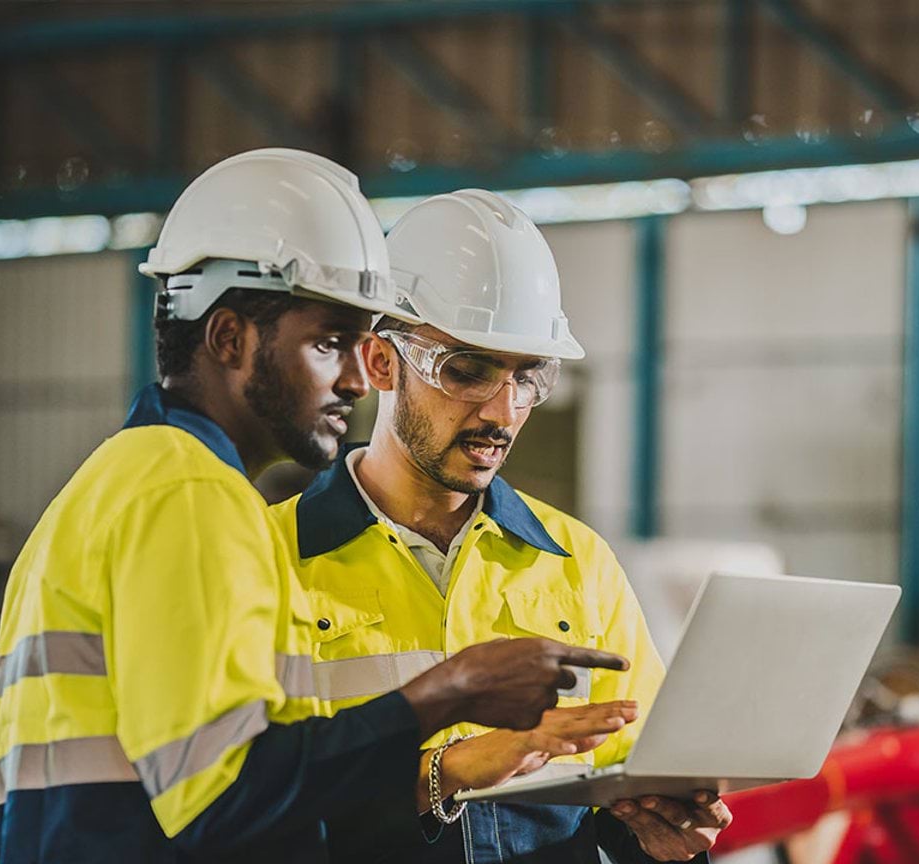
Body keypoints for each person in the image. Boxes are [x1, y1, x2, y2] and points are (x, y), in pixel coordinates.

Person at [0, 153, 629, 864]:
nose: (355, 377)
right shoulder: (189, 496)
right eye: (329, 343)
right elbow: (222, 798)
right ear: (230, 338)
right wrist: (446, 696)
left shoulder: (124, 479)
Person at [271, 190, 731, 863]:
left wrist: (660, 837)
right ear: (379, 362)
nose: (503, 410)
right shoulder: (270, 559)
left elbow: (625, 783)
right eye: (467, 370)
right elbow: (240, 803)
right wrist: (442, 772)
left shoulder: (577, 562)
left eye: (527, 376)